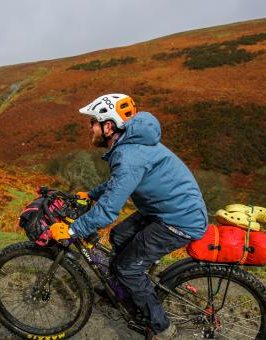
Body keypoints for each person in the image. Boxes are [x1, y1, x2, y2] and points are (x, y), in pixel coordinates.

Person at [49, 93, 208, 339]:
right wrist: (90, 195)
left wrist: (72, 230)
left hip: (180, 221)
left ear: (108, 126)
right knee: (119, 235)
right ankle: (127, 290)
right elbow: (118, 183)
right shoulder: (131, 144)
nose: (90, 127)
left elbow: (108, 210)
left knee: (127, 268)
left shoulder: (129, 155)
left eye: (93, 122)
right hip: (165, 211)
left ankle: (162, 328)